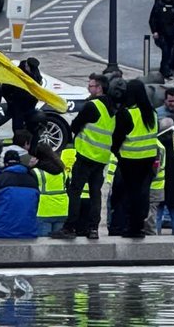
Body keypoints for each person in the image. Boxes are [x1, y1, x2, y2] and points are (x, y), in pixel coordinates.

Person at [52, 74, 114, 241]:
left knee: (75, 191)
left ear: (99, 88)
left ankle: (70, 227)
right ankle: (93, 228)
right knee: (95, 193)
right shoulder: (111, 107)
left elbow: (75, 125)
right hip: (102, 157)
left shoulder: (92, 106)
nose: (88, 88)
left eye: (91, 85)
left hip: (86, 154)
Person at [110, 79, 160, 239]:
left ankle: (131, 227)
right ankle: (139, 226)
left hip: (129, 159)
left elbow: (117, 138)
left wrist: (115, 151)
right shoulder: (152, 113)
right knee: (142, 194)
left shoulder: (126, 113)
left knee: (130, 194)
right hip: (149, 158)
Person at [0, 149, 39, 239]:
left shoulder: (0, 180)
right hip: (28, 231)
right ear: (19, 162)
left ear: (5, 163)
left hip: (0, 232)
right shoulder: (32, 180)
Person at [31, 142, 68, 238]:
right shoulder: (63, 171)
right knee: (59, 244)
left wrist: (30, 166)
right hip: (62, 210)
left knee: (44, 244)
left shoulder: (36, 172)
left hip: (43, 212)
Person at [149, 0, 174, 81]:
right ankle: (165, 70)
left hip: (171, 33)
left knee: (169, 52)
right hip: (161, 33)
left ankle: (163, 68)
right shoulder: (159, 5)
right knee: (165, 50)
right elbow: (152, 19)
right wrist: (154, 31)